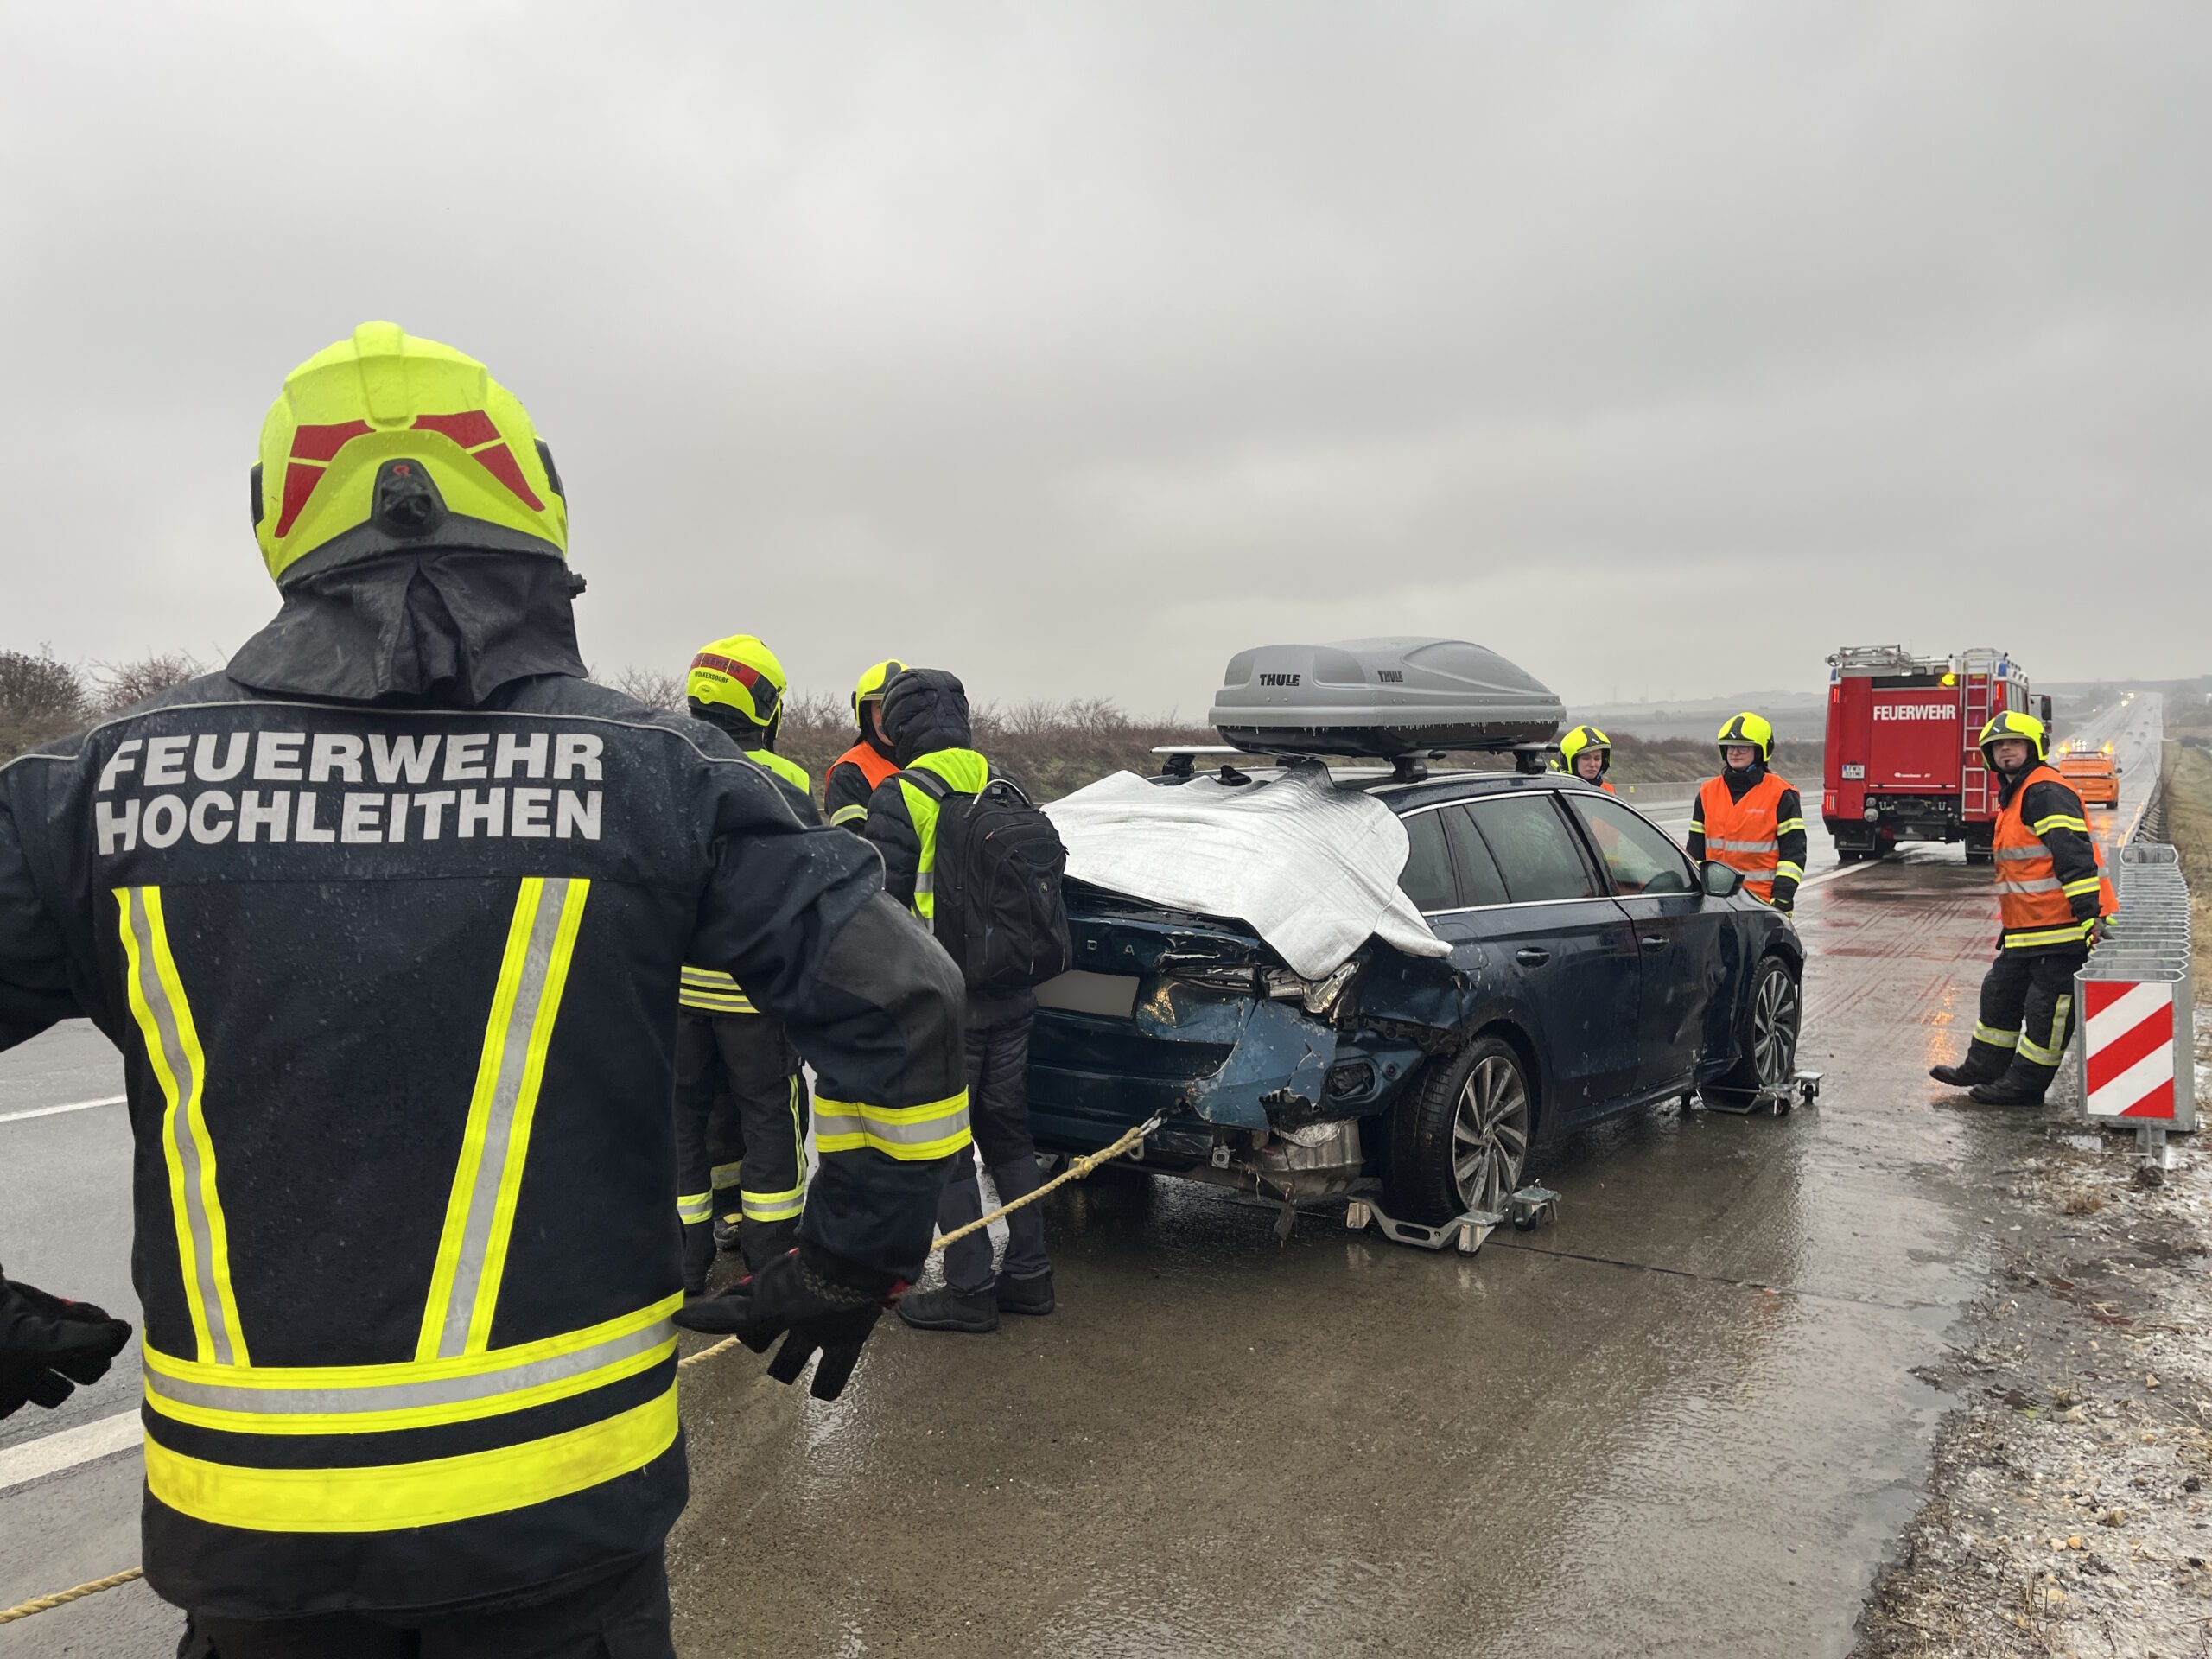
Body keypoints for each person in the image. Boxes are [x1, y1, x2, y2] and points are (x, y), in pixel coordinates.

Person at [0, 322, 967, 1657]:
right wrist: (853, 1257)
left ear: (284, 521)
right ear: (529, 496)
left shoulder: (96, 793)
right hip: (567, 1528)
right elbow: (902, 998)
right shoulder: (659, 773)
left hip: (256, 1548)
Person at [861, 670, 1054, 1334]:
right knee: (1007, 1130)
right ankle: (1030, 1273)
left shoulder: (900, 794)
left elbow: (880, 911)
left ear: (899, 729)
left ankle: (969, 1287)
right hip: (1015, 994)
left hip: (944, 1004)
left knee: (942, 1145)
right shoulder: (1006, 782)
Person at [672, 633, 817, 1294]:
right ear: (764, 705)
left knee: (684, 1119)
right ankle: (770, 1252)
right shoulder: (786, 781)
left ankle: (685, 1259)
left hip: (677, 989)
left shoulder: (665, 766)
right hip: (755, 991)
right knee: (769, 1116)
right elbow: (807, 880)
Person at [1930, 710, 2117, 1105]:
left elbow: (2074, 858)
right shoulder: (2018, 793)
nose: (2006, 750)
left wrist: (2090, 917)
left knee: (2047, 1009)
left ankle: (2025, 1087)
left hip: (2065, 927)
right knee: (1999, 993)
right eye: (1998, 745)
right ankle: (1985, 1067)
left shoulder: (2044, 791)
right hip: (2028, 929)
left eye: (2015, 743)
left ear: (2034, 748)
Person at [1687, 712, 1805, 913]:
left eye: (1743, 747)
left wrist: (1782, 899)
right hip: (1715, 903)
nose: (1735, 752)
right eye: (1730, 747)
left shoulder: (1782, 794)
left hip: (1761, 903)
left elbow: (1793, 855)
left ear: (1760, 751)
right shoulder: (1707, 793)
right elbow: (1695, 852)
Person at [823, 658, 906, 830]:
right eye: (880, 706)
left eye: (899, 705)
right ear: (866, 714)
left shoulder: (932, 760)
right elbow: (852, 842)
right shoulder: (848, 774)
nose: (890, 715)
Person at [1558, 725, 1615, 792]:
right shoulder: (1559, 790)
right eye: (1586, 758)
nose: (1592, 764)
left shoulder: (1608, 790)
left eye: (1597, 759)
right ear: (1571, 762)